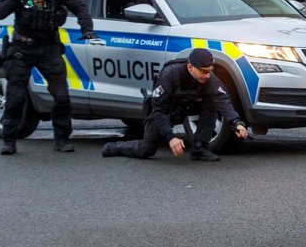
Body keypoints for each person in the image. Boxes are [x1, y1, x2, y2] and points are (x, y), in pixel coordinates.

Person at [0, 0, 97, 156]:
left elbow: (79, 6)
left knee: (61, 96)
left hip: (48, 47)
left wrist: (87, 29)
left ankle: (61, 139)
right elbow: (0, 13)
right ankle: (9, 140)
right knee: (16, 96)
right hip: (22, 47)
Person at [101, 48, 248, 162]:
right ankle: (116, 147)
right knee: (146, 150)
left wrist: (236, 122)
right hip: (165, 112)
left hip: (187, 108)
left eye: (210, 71)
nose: (207, 75)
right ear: (190, 67)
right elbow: (158, 111)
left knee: (211, 100)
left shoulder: (208, 77)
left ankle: (200, 148)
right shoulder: (170, 74)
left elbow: (222, 99)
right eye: (203, 71)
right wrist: (171, 137)